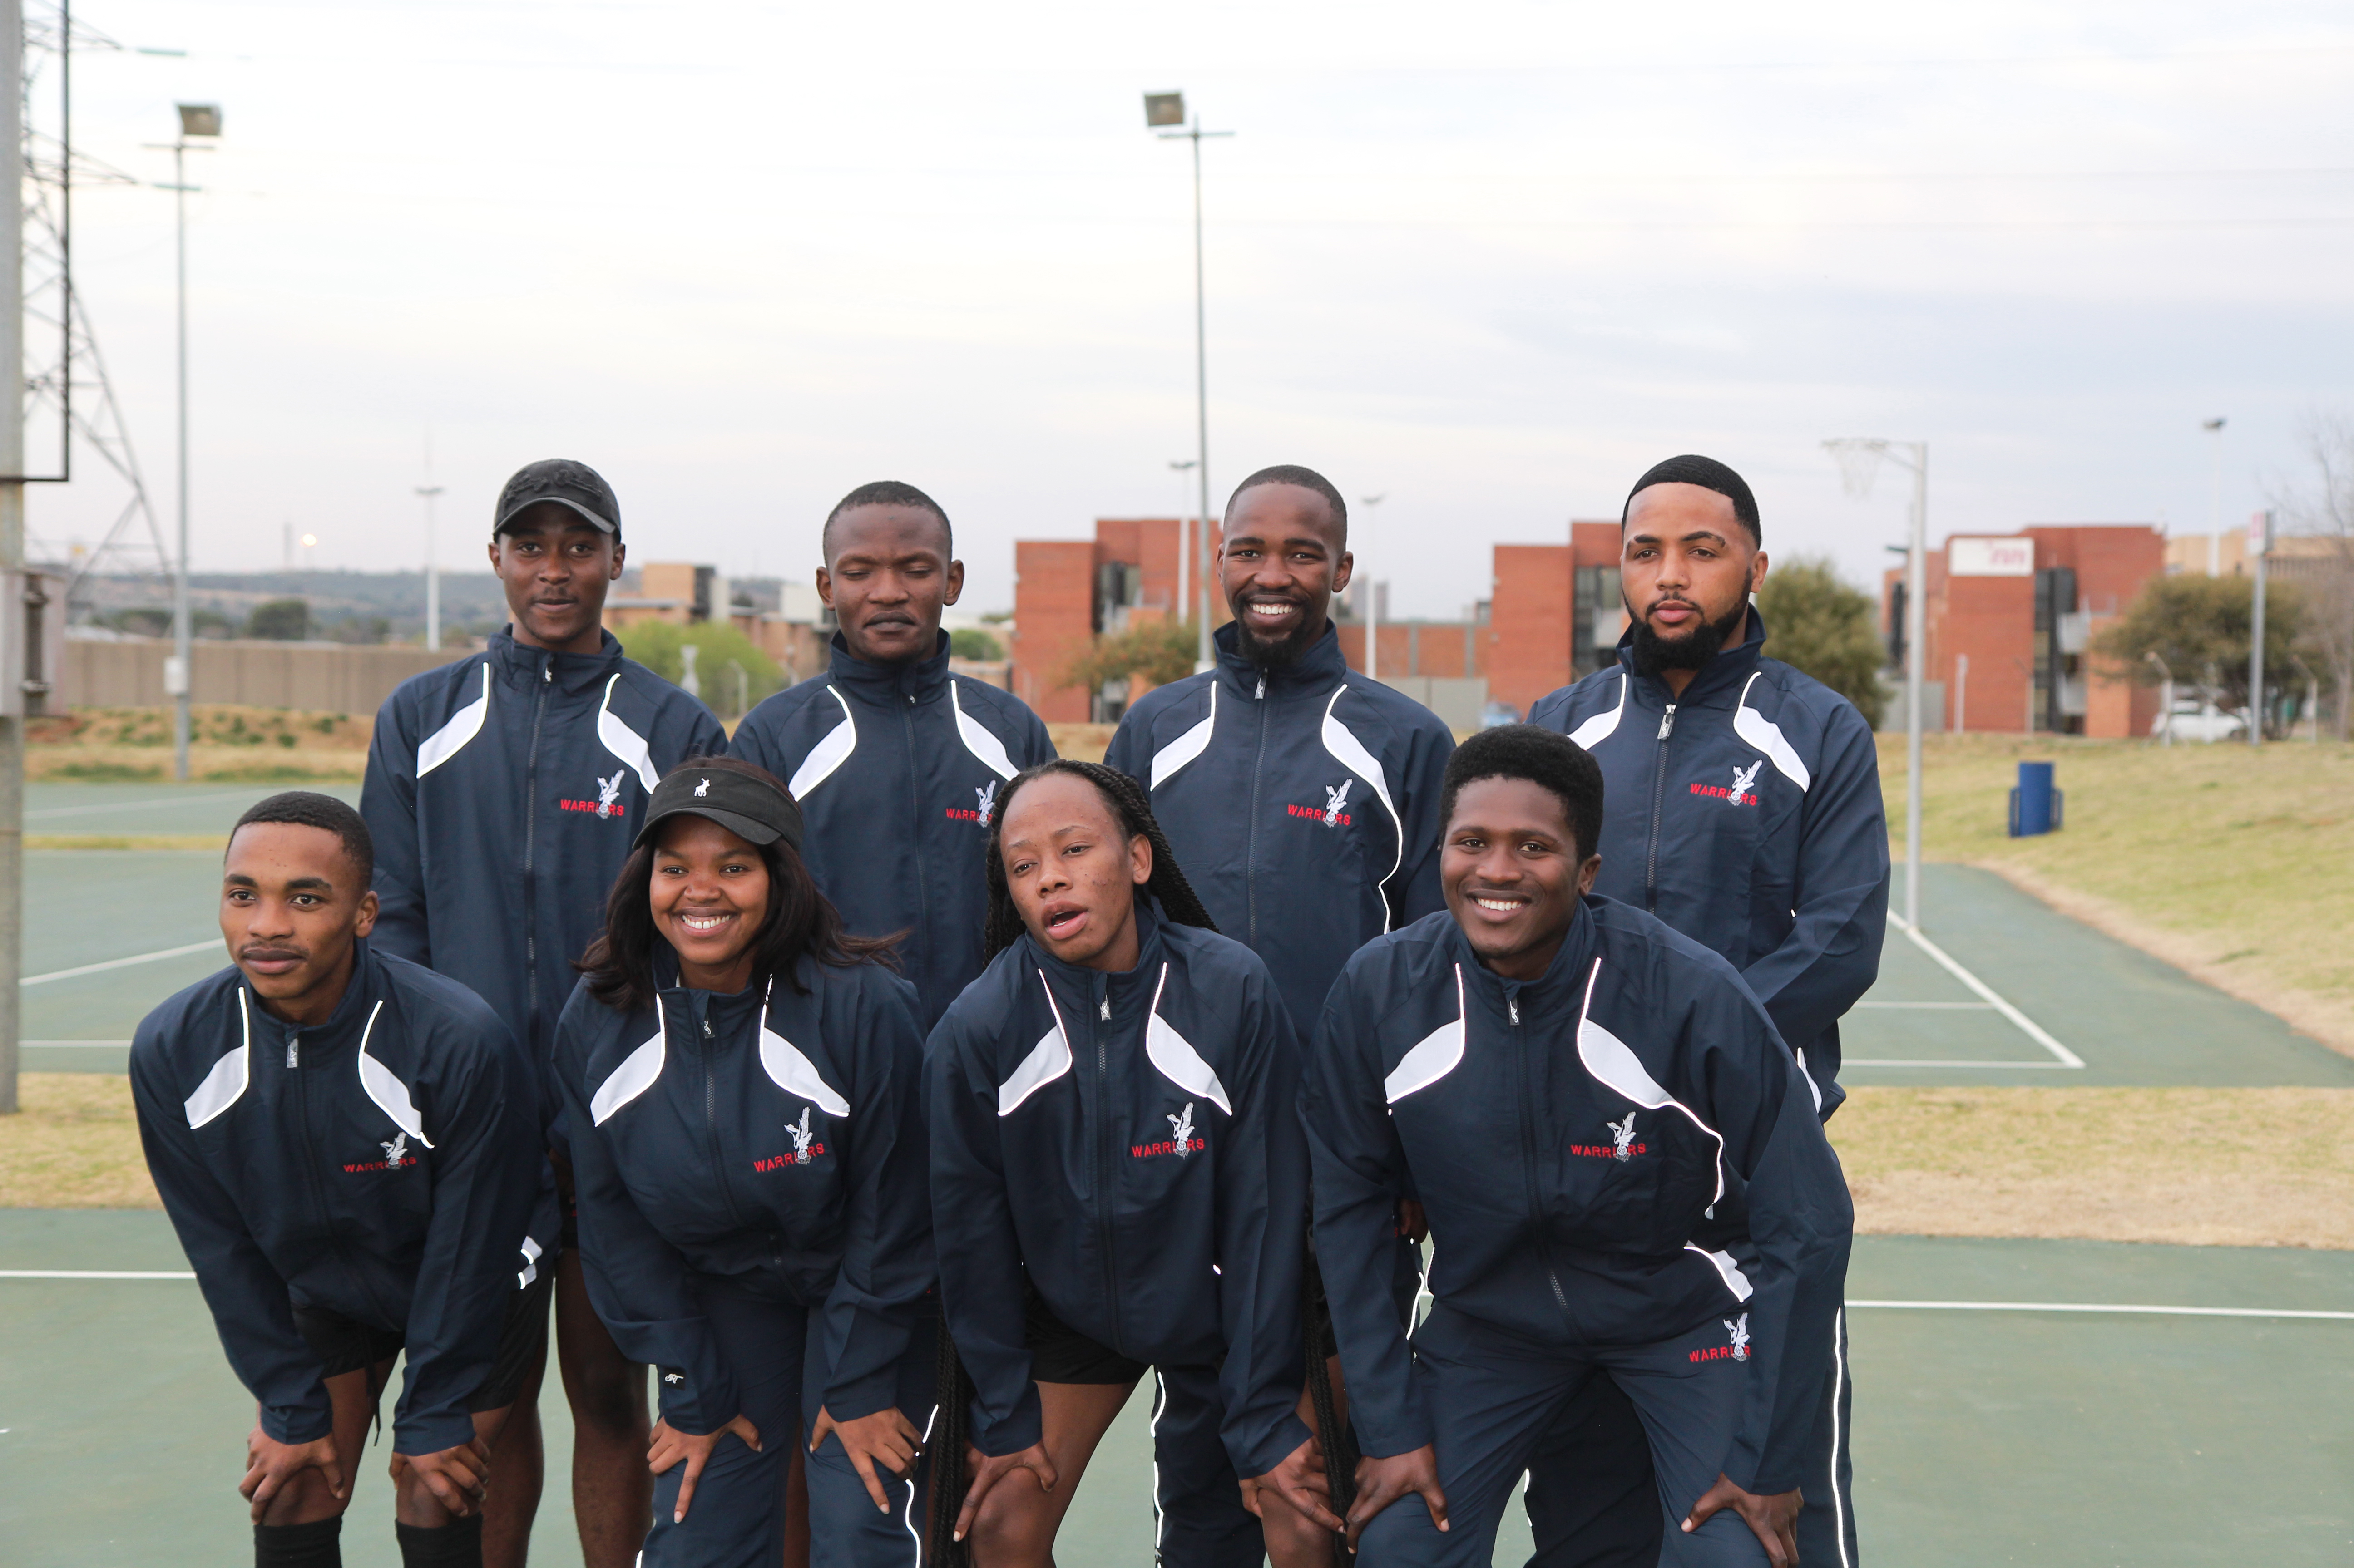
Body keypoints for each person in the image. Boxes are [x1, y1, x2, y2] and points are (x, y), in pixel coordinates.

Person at [1301, 726, 1853, 1568]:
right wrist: (1391, 1427)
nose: (1495, 870)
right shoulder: (1380, 990)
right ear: (1440, 851)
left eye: (1533, 846)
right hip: (1489, 1326)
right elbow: (1345, 1212)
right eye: (1471, 842)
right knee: (1400, 1541)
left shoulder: (1686, 991)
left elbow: (1806, 1220)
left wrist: (1767, 1458)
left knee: (1733, 1552)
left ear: (1586, 872)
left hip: (1684, 1320)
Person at [361, 458, 730, 1566]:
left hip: (616, 1116)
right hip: (466, 1121)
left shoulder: (669, 721)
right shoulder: (422, 715)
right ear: (497, 560)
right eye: (532, 546)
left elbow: (704, 914)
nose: (554, 568)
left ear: (616, 560)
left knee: (611, 1390)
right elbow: (395, 916)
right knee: (484, 1392)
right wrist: (428, 1079)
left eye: (579, 546)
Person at [1524, 455, 1888, 1568]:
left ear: (1753, 565)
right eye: (1644, 552)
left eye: (1700, 548)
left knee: (1772, 1510)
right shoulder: (1558, 728)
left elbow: (1838, 937)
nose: (1668, 574)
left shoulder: (1818, 731)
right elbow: (1494, 913)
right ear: (1619, 571)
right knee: (1585, 1515)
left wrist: (1685, 1046)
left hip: (1749, 1176)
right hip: (1581, 1176)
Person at [925, 760, 1339, 1568]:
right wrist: (1004, 1415)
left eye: (1074, 849)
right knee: (1000, 1523)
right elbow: (968, 1238)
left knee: (1300, 1512)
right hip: (1078, 1310)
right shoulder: (976, 1028)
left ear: (1139, 860)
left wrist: (1259, 1417)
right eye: (1022, 865)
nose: (1050, 878)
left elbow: (1264, 1213)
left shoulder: (1230, 988)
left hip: (1233, 1306)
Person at [130, 792, 550, 1568]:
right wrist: (287, 1402)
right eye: (242, 893)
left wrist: (433, 1411)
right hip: (323, 1282)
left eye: (306, 897)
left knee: (434, 1479)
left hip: (476, 1273)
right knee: (291, 1477)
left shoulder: (458, 1040)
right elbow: (223, 1249)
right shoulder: (173, 1049)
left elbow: (471, 1242)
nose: (266, 924)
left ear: (364, 914)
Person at [550, 757, 934, 1568]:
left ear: (779, 877)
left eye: (733, 865)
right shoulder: (599, 1015)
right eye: (675, 867)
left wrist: (861, 1378)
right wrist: (690, 1384)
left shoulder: (862, 1005)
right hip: (722, 1296)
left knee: (861, 1521)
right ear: (643, 879)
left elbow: (897, 1203)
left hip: (862, 1293)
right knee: (697, 1530)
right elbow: (611, 1218)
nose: (702, 889)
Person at [1103, 464, 1455, 1036]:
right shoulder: (1154, 726)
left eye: (1301, 555)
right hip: (1177, 1077)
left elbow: (1436, 942)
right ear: (1220, 562)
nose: (1271, 576)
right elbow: (1110, 905)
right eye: (1248, 553)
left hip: (1341, 1077)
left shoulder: (1409, 738)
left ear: (1341, 570)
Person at [729, 479, 1054, 1029]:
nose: (888, 592)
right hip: (828, 1048)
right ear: (827, 587)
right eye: (859, 573)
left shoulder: (1010, 730)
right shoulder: (774, 735)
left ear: (952, 582)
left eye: (916, 569)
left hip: (992, 1044)